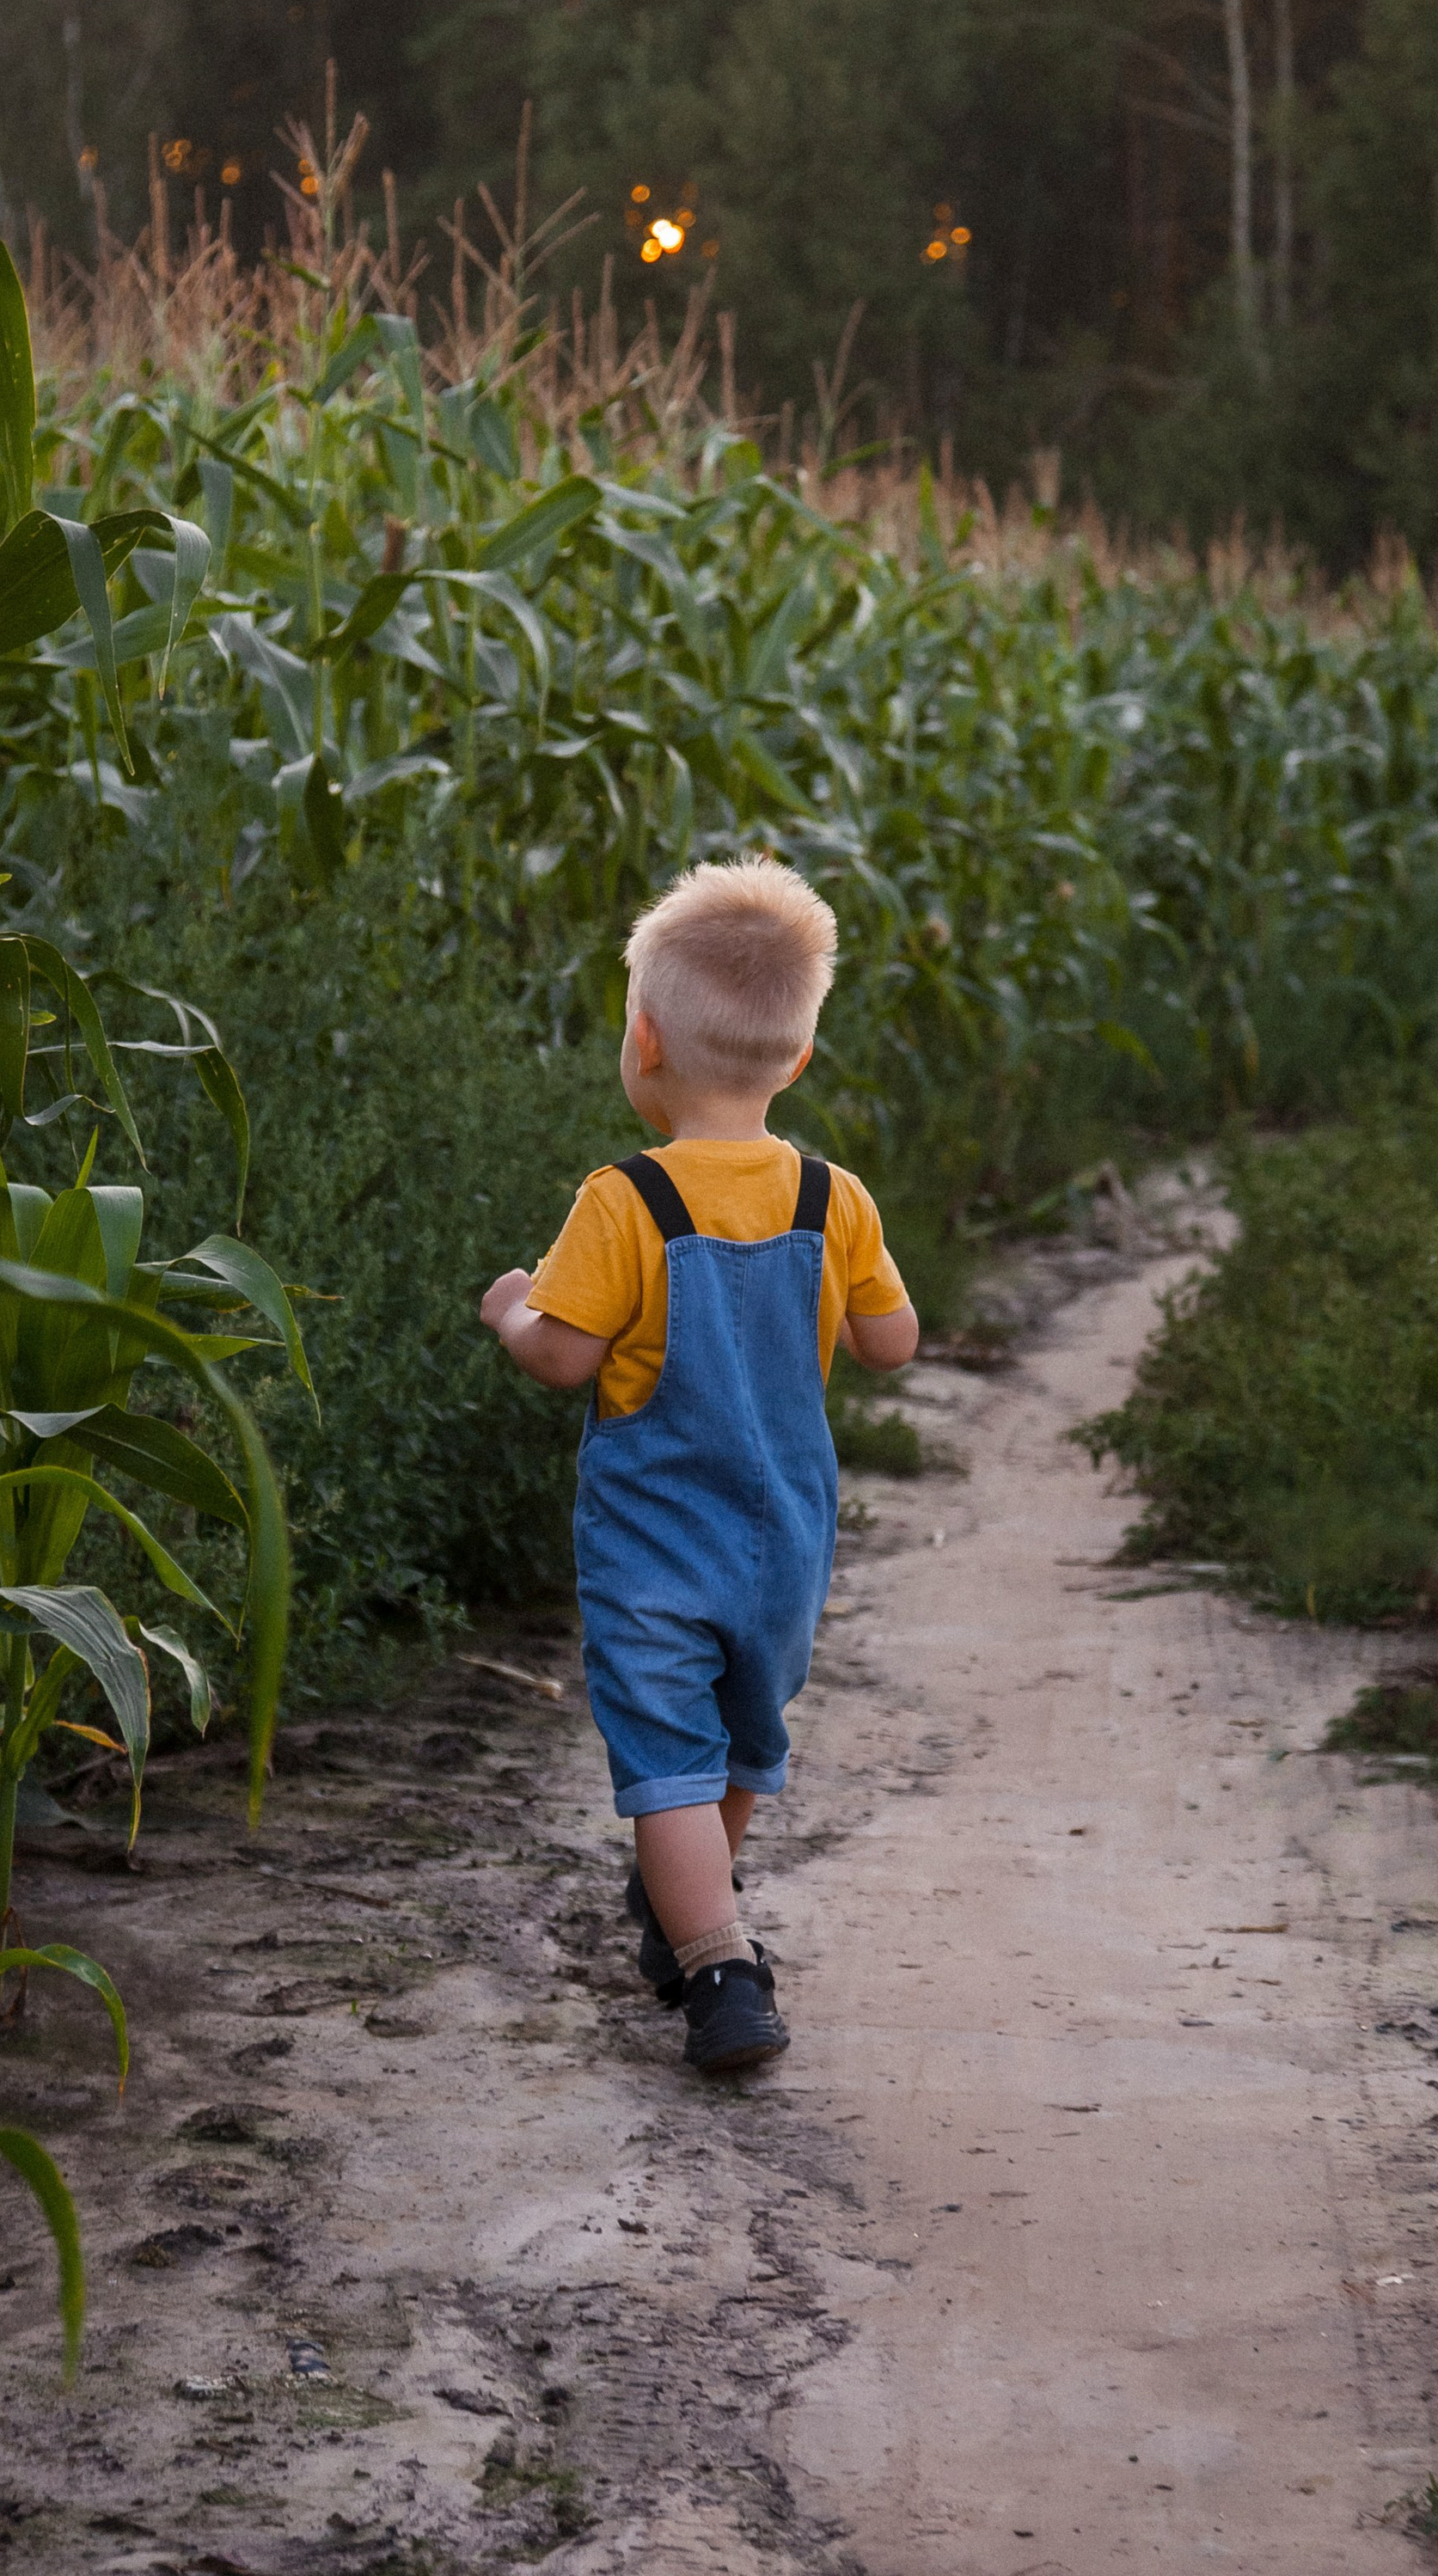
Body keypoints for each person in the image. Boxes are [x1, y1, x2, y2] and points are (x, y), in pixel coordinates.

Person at [479, 855, 920, 2074]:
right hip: (787, 1539)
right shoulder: (833, 1197)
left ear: (645, 1041)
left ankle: (721, 1970)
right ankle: (691, 1907)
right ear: (799, 1058)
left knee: (668, 1752)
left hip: (655, 1545)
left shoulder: (624, 1201)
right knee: (738, 1739)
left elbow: (563, 1357)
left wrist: (511, 1310)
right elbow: (893, 1343)